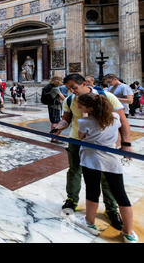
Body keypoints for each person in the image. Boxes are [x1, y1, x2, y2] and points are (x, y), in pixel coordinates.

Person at [53, 74, 133, 231]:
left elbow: (123, 121)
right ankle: (72, 199)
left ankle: (111, 209)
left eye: (73, 87)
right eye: (68, 88)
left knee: (106, 177)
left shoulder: (106, 96)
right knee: (75, 170)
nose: (71, 91)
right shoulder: (70, 100)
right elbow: (66, 119)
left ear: (83, 83)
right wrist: (59, 127)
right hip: (77, 141)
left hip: (104, 144)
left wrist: (126, 143)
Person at [76, 93, 138, 243]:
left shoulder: (85, 121)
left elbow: (81, 137)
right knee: (120, 194)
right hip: (111, 159)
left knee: (92, 191)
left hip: (90, 159)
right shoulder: (115, 118)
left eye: (81, 105)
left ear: (89, 108)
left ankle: (90, 223)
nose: (79, 107)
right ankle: (128, 232)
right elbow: (116, 131)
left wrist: (85, 115)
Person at [44, 76, 65, 143]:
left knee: (54, 121)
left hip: (51, 105)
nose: (61, 82)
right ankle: (54, 138)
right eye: (61, 80)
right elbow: (63, 97)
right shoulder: (55, 88)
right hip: (55, 106)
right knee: (56, 122)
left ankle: (53, 137)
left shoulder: (48, 86)